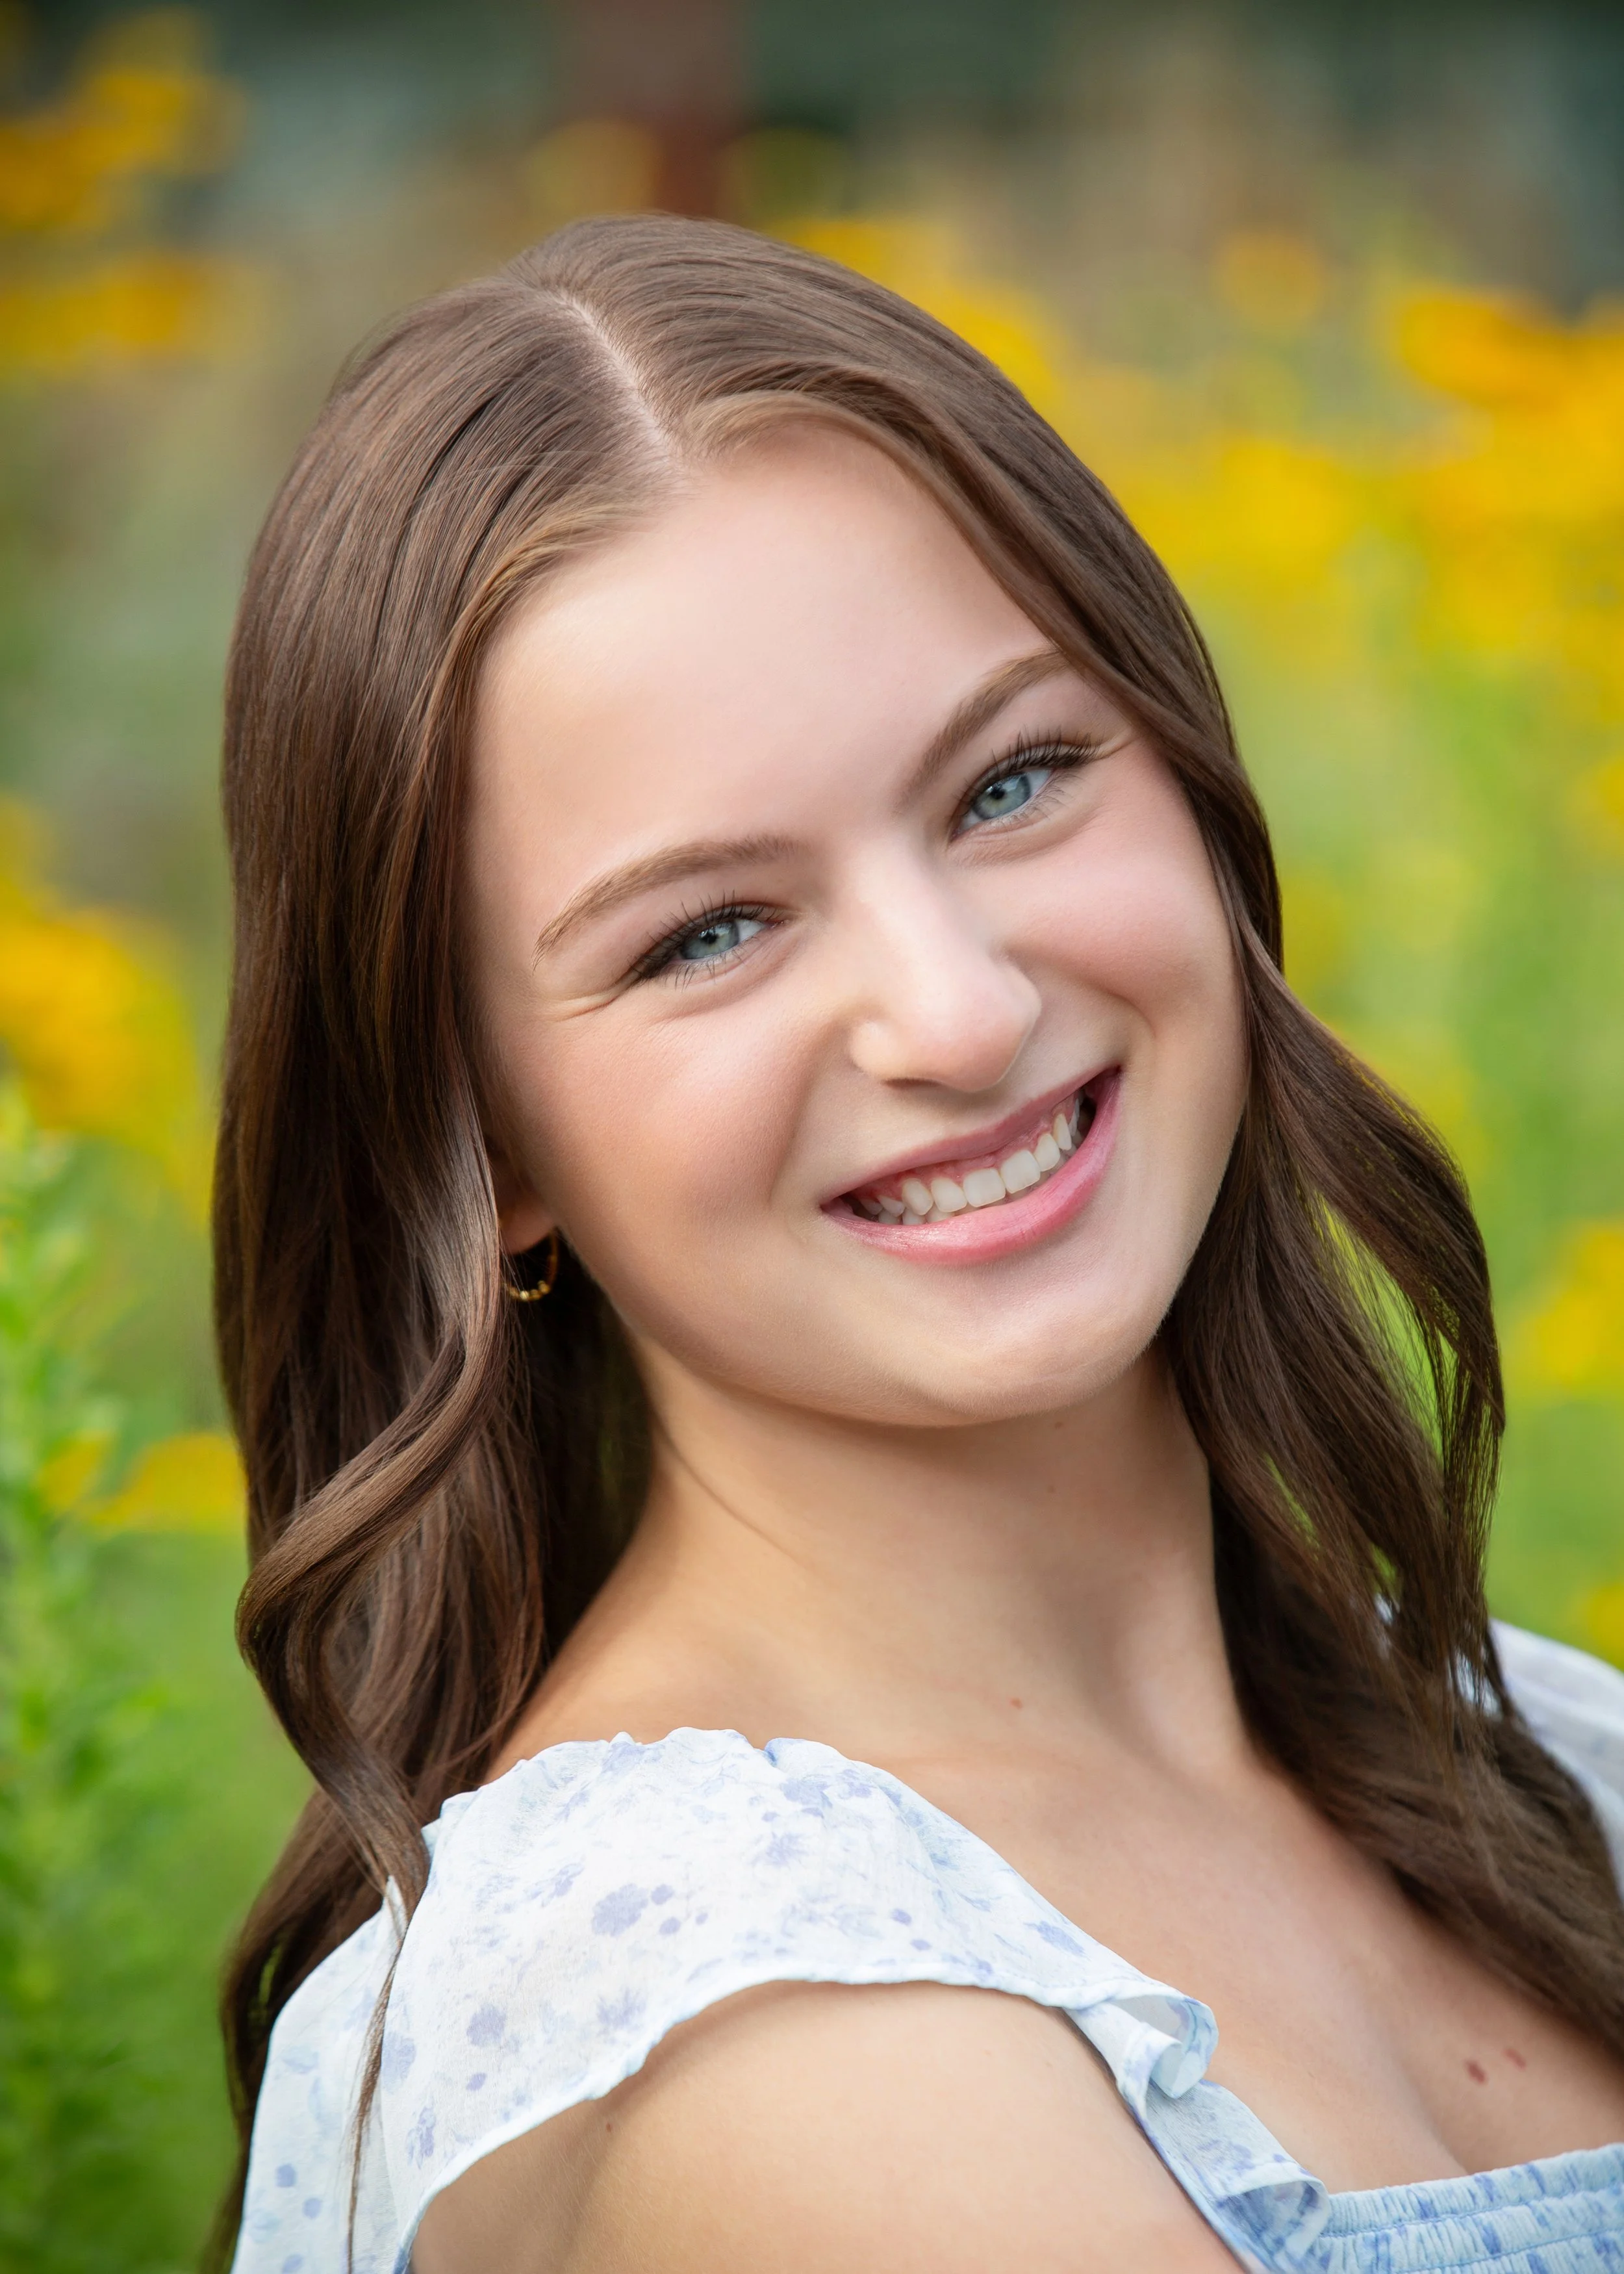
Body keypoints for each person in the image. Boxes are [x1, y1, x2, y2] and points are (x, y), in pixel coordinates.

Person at [215, 216, 1624, 2274]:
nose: (955, 1011)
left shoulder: (1526, 1750)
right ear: (479, 1146)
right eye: (708, 930)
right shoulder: (769, 2036)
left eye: (1014, 781)